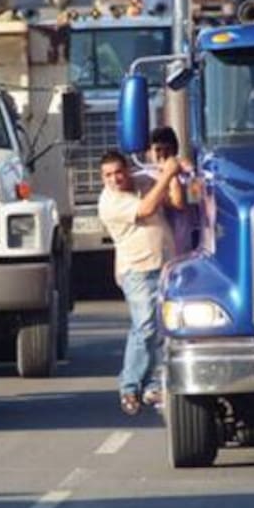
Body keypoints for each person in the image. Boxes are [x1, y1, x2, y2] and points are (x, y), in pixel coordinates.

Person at [98, 150, 182, 415]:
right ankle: (129, 386)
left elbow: (176, 202)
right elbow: (147, 208)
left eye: (118, 172)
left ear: (128, 170)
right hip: (138, 271)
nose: (115, 179)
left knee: (164, 328)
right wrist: (167, 174)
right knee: (144, 327)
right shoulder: (110, 202)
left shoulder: (144, 182)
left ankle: (152, 385)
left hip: (166, 266)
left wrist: (172, 173)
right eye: (108, 175)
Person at [145, 127, 199, 255]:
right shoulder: (145, 177)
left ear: (175, 151)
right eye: (158, 150)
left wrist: (192, 171)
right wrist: (170, 173)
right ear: (149, 153)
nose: (163, 154)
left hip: (184, 246)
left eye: (167, 149)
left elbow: (198, 195)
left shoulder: (185, 174)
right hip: (159, 249)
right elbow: (177, 202)